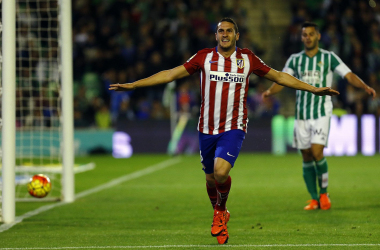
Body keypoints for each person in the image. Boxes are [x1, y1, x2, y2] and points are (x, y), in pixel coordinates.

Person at [109, 18, 339, 244]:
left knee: (220, 172)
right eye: (221, 31)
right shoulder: (204, 57)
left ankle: (219, 211)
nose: (225, 34)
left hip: (234, 127)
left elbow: (278, 76)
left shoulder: (247, 59)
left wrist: (313, 89)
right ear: (216, 35)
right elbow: (170, 74)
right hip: (206, 128)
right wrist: (135, 84)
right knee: (210, 179)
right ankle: (221, 212)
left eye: (229, 31)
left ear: (237, 35)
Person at [262, 22, 376, 211]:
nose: (308, 37)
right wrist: (269, 92)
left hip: (322, 112)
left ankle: (324, 193)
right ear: (302, 37)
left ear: (318, 36)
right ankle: (314, 198)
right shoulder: (295, 59)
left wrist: (364, 86)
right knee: (306, 156)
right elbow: (282, 80)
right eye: (305, 34)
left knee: (317, 152)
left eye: (311, 34)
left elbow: (348, 75)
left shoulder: (329, 57)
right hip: (301, 115)